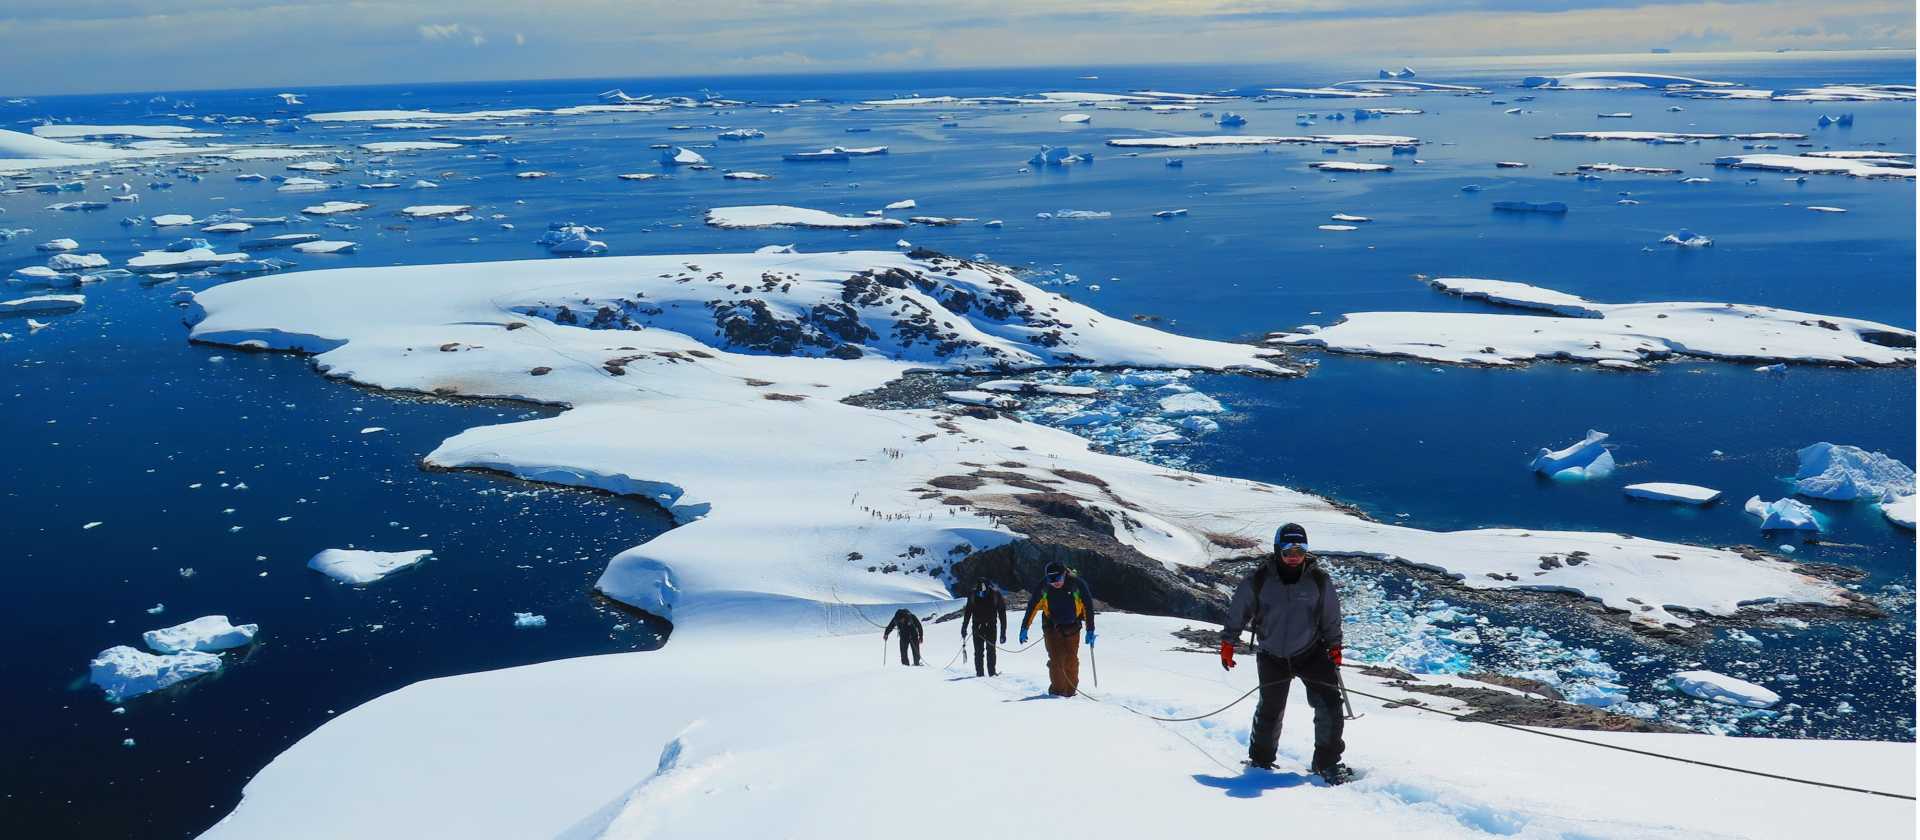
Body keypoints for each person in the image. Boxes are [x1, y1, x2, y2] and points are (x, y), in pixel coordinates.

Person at [1219, 522, 1353, 784]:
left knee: (1329, 706)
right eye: (1288, 551)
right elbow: (1239, 611)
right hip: (1272, 654)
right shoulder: (1258, 580)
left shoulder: (1318, 580)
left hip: (1311, 651)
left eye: (1300, 550)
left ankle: (1326, 764)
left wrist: (1335, 646)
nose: (1294, 557)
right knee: (1270, 708)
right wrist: (1228, 642)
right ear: (1277, 550)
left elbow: (1330, 616)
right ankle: (1260, 761)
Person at [1018, 561, 1095, 697]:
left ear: (1065, 573)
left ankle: (1070, 693)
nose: (1055, 582)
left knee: (1071, 660)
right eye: (1051, 579)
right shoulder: (1044, 587)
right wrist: (1025, 627)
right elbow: (1033, 606)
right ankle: (1057, 693)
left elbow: (1088, 605)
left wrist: (1090, 629)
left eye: (1057, 578)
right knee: (1056, 660)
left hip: (1073, 626)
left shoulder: (1077, 584)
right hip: (1051, 626)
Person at [960, 579, 1008, 677]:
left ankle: (991, 673)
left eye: (983, 592)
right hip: (978, 627)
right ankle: (980, 674)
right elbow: (968, 613)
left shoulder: (995, 595)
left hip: (990, 627)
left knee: (990, 650)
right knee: (979, 651)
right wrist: (964, 628)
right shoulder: (973, 595)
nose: (981, 594)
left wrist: (1003, 632)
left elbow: (1002, 614)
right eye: (979, 592)